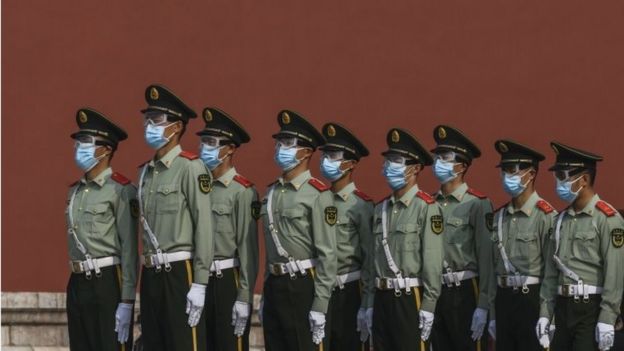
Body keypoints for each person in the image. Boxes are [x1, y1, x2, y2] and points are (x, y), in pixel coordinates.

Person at [137, 84, 213, 351]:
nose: (149, 126)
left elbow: (204, 225)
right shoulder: (146, 173)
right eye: (147, 120)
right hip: (151, 274)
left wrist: (200, 283)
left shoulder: (191, 168)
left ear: (177, 126)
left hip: (181, 273)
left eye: (157, 120)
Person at [259, 110, 337, 351]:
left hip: (302, 283)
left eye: (289, 143)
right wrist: (264, 292)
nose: (281, 148)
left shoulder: (317, 195)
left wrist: (321, 304)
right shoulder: (271, 193)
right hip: (275, 284)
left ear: (306, 151)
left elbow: (328, 254)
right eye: (279, 142)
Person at [537, 142, 624, 351]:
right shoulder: (559, 221)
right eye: (556, 176)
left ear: (583, 179)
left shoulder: (607, 219)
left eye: (563, 176)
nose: (558, 183)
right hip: (562, 308)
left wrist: (607, 316)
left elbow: (615, 271)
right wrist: (544, 314)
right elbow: (551, 274)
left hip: (590, 308)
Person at [66, 108, 137, 351]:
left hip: (107, 281)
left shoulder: (121, 190)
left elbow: (129, 248)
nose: (79, 147)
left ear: (106, 149)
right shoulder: (75, 191)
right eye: (78, 141)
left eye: (86, 142)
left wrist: (127, 300)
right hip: (77, 282)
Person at [370, 128, 444, 351]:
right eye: (389, 160)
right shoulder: (380, 209)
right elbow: (372, 261)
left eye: (397, 160)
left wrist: (429, 305)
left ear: (416, 168)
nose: (390, 165)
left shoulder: (426, 208)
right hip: (381, 298)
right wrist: (367, 304)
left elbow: (432, 261)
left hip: (410, 298)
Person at [196, 107, 259, 351]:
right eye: (203, 142)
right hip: (198, 280)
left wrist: (244, 297)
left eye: (212, 143)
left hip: (226, 282)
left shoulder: (242, 191)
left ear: (230, 148)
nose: (205, 148)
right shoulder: (198, 187)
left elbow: (248, 249)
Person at [429, 125, 494, 351]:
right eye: (437, 156)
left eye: (445, 157)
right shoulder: (428, 203)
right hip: (435, 290)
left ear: (462, 165)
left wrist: (484, 305)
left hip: (465, 290)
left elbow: (486, 258)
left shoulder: (476, 204)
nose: (438, 161)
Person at [487, 139, 556, 350]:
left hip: (532, 300)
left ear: (531, 174)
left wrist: (547, 315)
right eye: (504, 170)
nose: (507, 176)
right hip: (504, 300)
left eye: (513, 170)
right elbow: (492, 270)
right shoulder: (498, 217)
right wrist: (491, 313)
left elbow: (551, 273)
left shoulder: (546, 216)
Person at [318, 122, 374, 350]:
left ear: (350, 163)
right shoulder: (318, 200)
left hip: (349, 291)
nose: (327, 161)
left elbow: (370, 257)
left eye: (334, 156)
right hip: (321, 291)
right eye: (326, 155)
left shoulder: (361, 205)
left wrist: (367, 303)